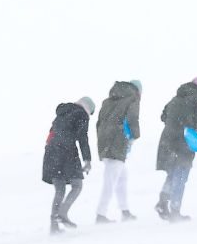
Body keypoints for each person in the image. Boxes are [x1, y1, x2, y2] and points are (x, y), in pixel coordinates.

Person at [155, 77, 197, 222]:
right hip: (182, 139)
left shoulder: (178, 96)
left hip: (167, 138)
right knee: (181, 173)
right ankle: (175, 211)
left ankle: (163, 202)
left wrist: (176, 122)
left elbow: (163, 115)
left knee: (173, 172)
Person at [43, 97, 95, 235]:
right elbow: (83, 138)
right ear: (88, 109)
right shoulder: (81, 114)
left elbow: (51, 134)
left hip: (51, 151)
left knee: (59, 189)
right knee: (77, 185)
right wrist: (87, 160)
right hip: (66, 151)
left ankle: (54, 225)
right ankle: (62, 213)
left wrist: (52, 149)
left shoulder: (62, 113)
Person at [95, 80, 142, 223]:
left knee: (121, 178)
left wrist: (103, 140)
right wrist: (135, 134)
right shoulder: (132, 98)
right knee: (110, 180)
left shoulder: (107, 101)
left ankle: (125, 211)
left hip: (106, 142)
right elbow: (133, 118)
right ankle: (100, 214)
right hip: (117, 142)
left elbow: (99, 123)